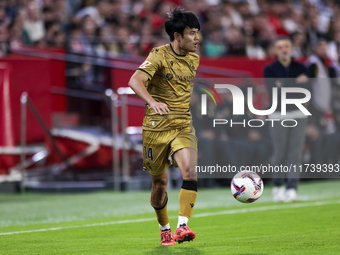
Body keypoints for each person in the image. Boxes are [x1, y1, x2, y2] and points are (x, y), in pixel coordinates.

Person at [128, 7, 200, 246]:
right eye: (191, 33)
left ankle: (182, 227)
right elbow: (134, 81)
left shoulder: (194, 58)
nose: (197, 38)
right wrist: (152, 101)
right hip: (156, 127)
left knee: (189, 171)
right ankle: (164, 228)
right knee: (159, 185)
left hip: (182, 125)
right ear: (177, 35)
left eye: (198, 33)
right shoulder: (157, 55)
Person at [263, 36, 309, 203]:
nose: (283, 49)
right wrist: (297, 85)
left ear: (291, 48)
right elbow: (273, 91)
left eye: (286, 46)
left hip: (298, 114)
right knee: (280, 152)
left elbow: (307, 91)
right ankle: (278, 186)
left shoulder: (301, 68)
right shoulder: (269, 69)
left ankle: (292, 188)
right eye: (280, 47)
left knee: (295, 153)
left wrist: (284, 85)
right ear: (275, 50)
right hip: (277, 114)